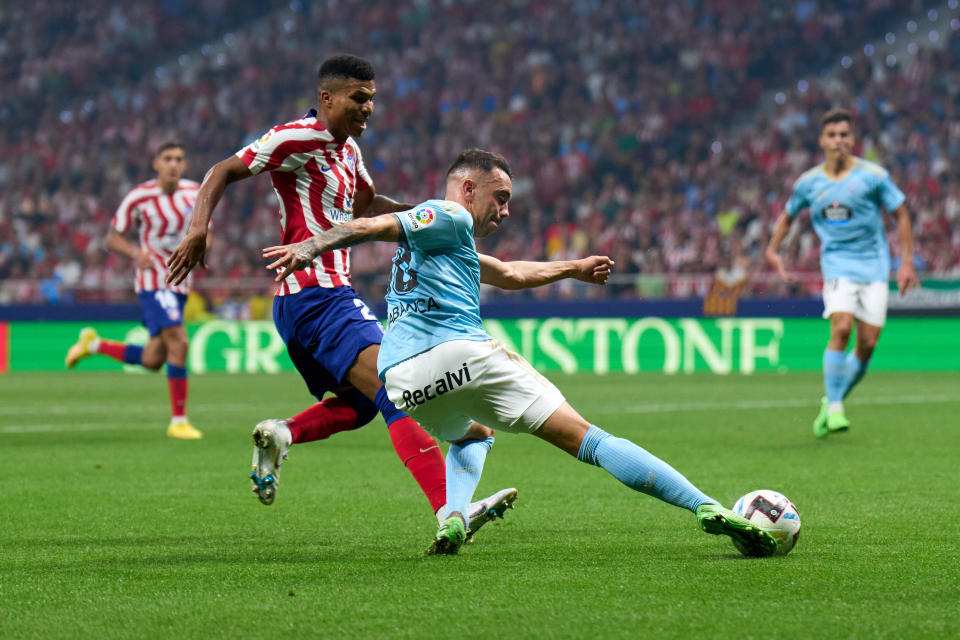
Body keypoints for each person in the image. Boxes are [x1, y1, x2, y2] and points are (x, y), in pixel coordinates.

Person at [263, 148, 777, 556]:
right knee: (590, 439)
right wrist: (315, 244)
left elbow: (509, 273)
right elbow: (377, 224)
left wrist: (572, 268)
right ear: (468, 188)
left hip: (405, 382)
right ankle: (707, 507)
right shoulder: (447, 215)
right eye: (500, 197)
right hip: (459, 352)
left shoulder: (444, 242)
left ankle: (454, 517)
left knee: (474, 434)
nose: (505, 211)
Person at [165, 55, 515, 534]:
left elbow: (370, 207)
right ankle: (449, 512)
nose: (368, 107)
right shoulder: (296, 137)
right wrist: (198, 228)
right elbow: (222, 169)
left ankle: (283, 433)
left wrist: (433, 215)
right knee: (396, 391)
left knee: (365, 402)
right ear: (327, 97)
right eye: (358, 98)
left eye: (371, 98)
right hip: (315, 293)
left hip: (315, 300)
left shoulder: (349, 152)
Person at [765, 108, 918, 438]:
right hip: (837, 265)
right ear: (822, 140)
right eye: (832, 135)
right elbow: (788, 216)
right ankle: (835, 407)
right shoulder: (809, 182)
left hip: (875, 267)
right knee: (842, 326)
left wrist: (906, 261)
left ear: (852, 140)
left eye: (844, 135)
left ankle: (829, 401)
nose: (838, 141)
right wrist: (772, 251)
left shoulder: (872, 176)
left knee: (867, 344)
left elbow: (901, 214)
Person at [66, 142, 205, 440]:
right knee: (179, 342)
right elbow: (112, 238)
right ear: (156, 163)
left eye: (179, 159)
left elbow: (206, 228)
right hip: (154, 281)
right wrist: (135, 252)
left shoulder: (196, 193)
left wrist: (204, 246)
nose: (173, 164)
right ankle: (178, 420)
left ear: (185, 164)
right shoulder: (139, 196)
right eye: (167, 159)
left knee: (153, 359)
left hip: (181, 283)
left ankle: (93, 345)